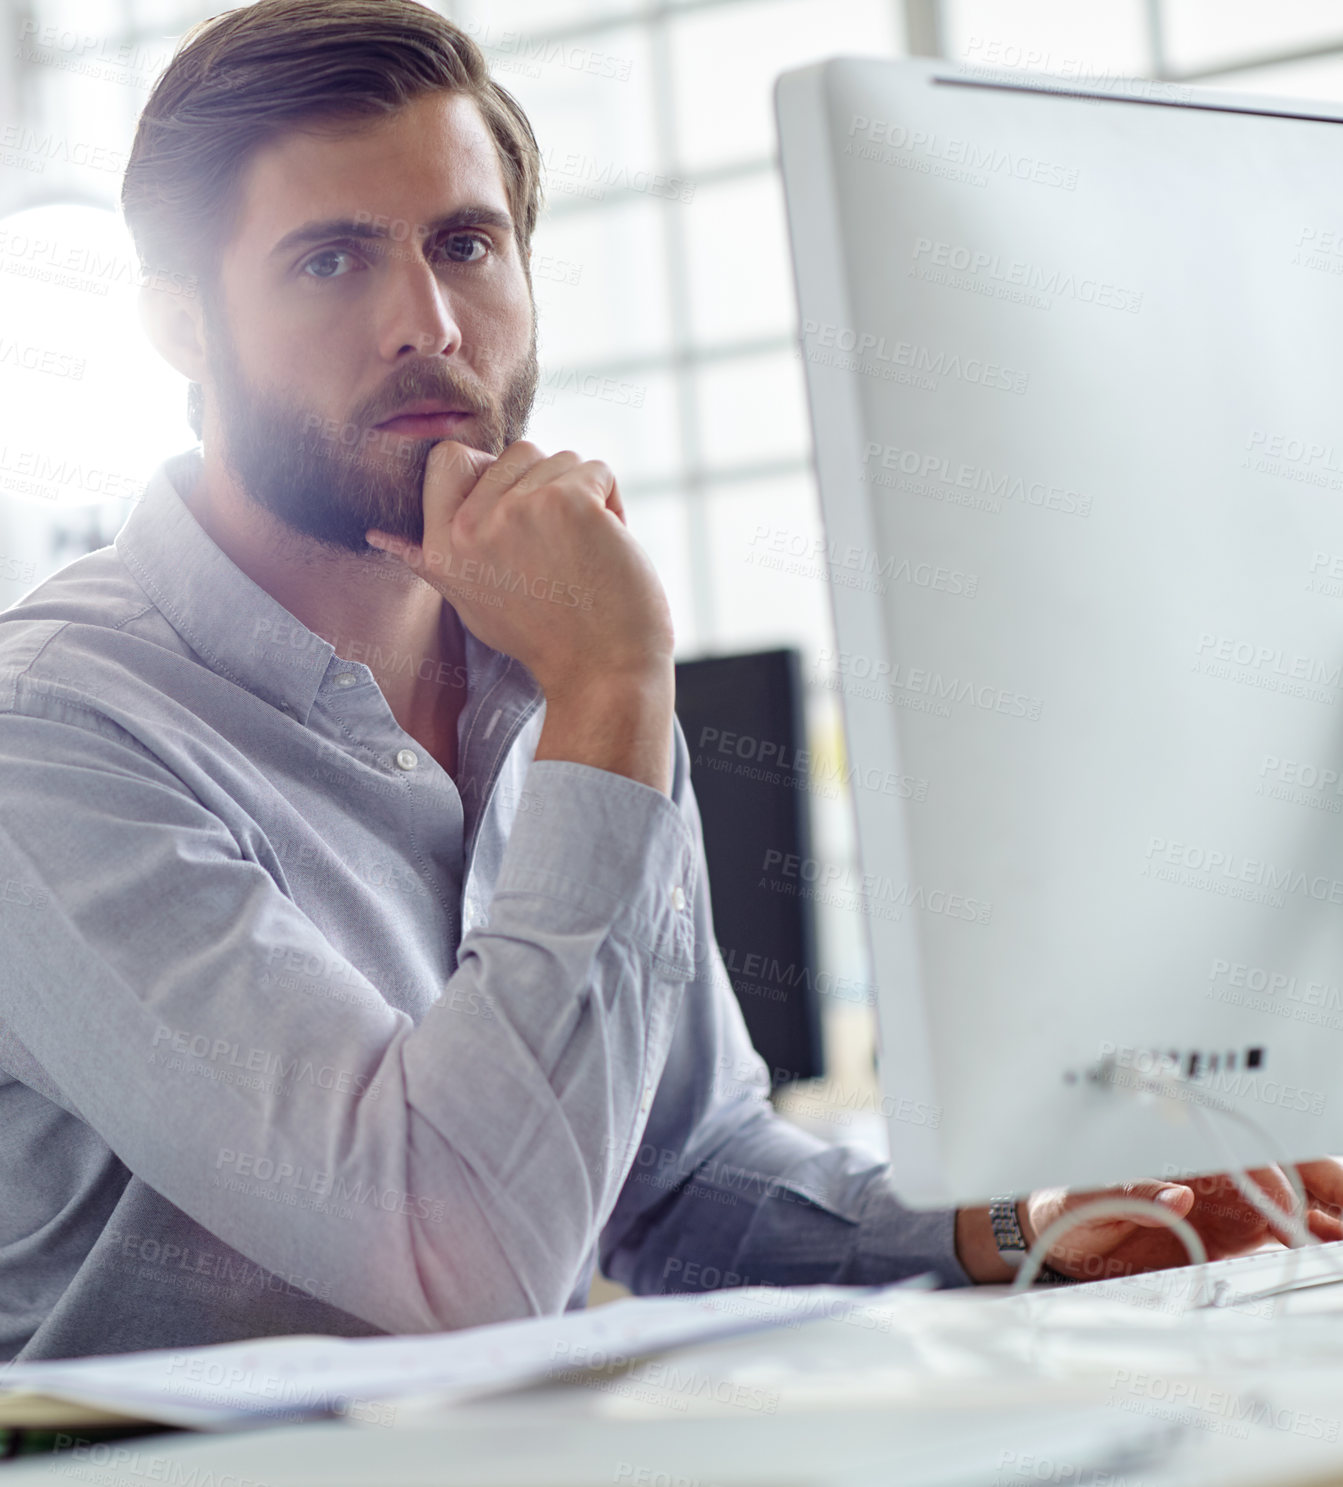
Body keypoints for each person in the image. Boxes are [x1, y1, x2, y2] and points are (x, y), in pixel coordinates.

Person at [1, 0, 1339, 1362]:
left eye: (466, 244)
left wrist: (1023, 1225)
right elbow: (451, 1259)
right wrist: (613, 688)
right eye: (331, 259)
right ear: (180, 326)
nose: (429, 323)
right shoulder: (56, 733)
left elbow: (681, 1176)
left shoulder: (550, 666)